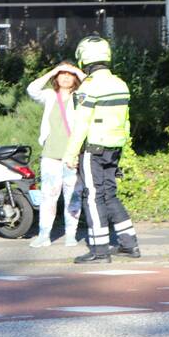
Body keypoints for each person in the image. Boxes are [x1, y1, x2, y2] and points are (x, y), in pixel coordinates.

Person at [62, 35, 140, 264]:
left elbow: (81, 124)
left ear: (83, 57)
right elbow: (125, 120)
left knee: (93, 196)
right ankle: (129, 244)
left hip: (93, 147)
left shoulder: (89, 87)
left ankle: (99, 250)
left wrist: (70, 153)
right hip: (114, 146)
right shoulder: (120, 83)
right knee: (110, 194)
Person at [26, 62, 85, 248]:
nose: (66, 77)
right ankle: (44, 235)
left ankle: (70, 235)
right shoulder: (50, 96)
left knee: (73, 197)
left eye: (70, 74)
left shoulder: (79, 97)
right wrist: (53, 70)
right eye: (62, 74)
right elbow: (32, 89)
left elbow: (93, 90)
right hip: (50, 154)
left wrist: (78, 71)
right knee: (48, 196)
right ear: (56, 78)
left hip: (72, 155)